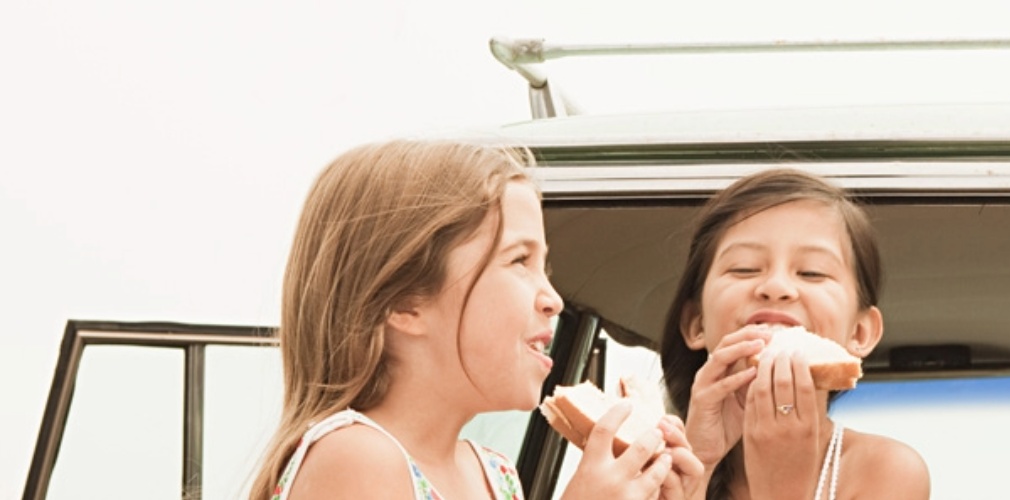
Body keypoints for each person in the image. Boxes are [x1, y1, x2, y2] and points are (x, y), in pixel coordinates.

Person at [246, 140, 701, 500]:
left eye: (545, 268)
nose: (553, 299)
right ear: (406, 303)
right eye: (519, 261)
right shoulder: (356, 457)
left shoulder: (496, 474)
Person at [658, 168, 931, 500]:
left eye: (812, 272)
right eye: (744, 268)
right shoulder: (642, 468)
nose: (776, 287)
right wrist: (698, 467)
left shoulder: (886, 471)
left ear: (859, 333)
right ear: (696, 323)